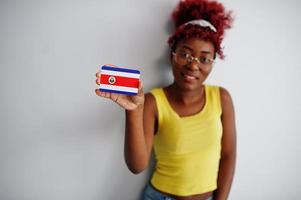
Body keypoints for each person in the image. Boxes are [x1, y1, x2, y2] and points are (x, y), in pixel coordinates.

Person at [95, 0, 236, 199]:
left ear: (213, 63)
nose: (193, 66)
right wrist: (133, 110)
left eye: (204, 59)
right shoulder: (154, 101)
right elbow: (137, 165)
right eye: (185, 54)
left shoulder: (222, 98)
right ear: (172, 56)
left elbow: (228, 156)